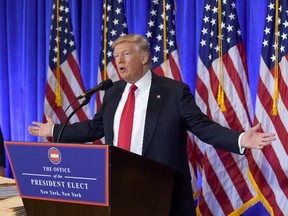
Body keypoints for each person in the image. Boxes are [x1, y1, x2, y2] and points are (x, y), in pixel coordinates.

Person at [28, 34, 276, 216]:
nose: (118, 60)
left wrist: (242, 138)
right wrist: (54, 131)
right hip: (118, 190)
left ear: (144, 57)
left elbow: (202, 127)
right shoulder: (113, 93)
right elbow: (94, 128)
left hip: (162, 194)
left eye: (125, 54)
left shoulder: (173, 92)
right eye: (115, 56)